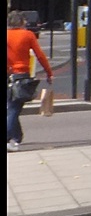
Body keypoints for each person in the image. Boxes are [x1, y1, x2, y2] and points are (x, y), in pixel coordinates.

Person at [8, 10, 53, 152]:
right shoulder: (27, 35)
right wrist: (49, 73)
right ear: (21, 22)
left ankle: (17, 136)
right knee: (14, 108)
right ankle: (9, 139)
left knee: (11, 107)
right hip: (21, 75)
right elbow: (40, 55)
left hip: (8, 74)